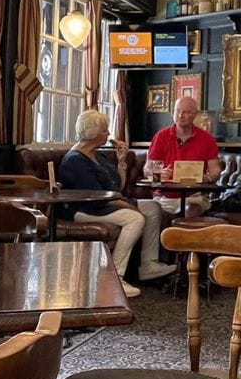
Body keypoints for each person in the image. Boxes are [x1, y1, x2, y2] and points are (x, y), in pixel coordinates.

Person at [58, 110, 175, 298]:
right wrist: (130, 206)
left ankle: (148, 264)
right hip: (83, 209)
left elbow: (116, 188)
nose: (109, 135)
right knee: (135, 218)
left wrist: (121, 162)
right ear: (93, 133)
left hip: (105, 205)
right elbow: (100, 197)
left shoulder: (99, 156)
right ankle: (115, 277)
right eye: (104, 131)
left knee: (153, 207)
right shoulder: (75, 161)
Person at [142, 96, 221, 229]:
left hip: (194, 196)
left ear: (195, 115)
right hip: (164, 197)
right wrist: (158, 174)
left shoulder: (207, 139)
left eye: (186, 112)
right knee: (153, 211)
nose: (180, 115)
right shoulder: (161, 136)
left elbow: (215, 171)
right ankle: (164, 249)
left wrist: (207, 178)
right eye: (177, 111)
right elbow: (147, 170)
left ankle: (186, 249)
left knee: (191, 209)